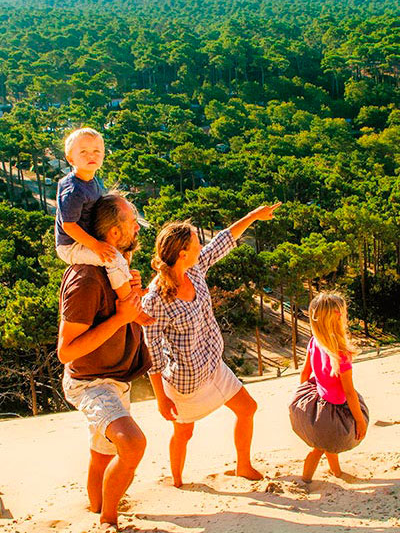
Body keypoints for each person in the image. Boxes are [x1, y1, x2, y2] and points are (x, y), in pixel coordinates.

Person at [141, 203, 280, 488]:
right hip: (186, 381)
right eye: (196, 243)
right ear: (182, 254)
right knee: (184, 433)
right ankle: (177, 482)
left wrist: (253, 215)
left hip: (214, 365)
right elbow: (152, 351)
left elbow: (223, 240)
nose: (201, 247)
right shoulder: (155, 298)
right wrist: (160, 398)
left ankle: (243, 466)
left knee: (247, 408)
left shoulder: (194, 269)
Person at [57, 192, 152, 530]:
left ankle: (96, 507)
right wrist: (121, 317)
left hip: (114, 378)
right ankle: (108, 520)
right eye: (132, 223)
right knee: (132, 444)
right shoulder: (85, 278)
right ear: (113, 233)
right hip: (91, 382)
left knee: (102, 455)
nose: (137, 229)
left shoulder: (114, 269)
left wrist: (134, 298)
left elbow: (124, 313)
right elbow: (66, 351)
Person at [289, 291, 369, 482]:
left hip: (318, 403)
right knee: (320, 448)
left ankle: (336, 472)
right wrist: (360, 421)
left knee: (327, 442)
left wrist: (304, 402)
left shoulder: (314, 341)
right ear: (338, 319)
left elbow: (304, 374)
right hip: (334, 409)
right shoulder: (341, 354)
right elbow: (349, 393)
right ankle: (305, 480)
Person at [54, 127, 136, 303]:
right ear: (70, 158)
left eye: (96, 151)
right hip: (71, 245)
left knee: (122, 252)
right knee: (113, 259)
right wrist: (96, 246)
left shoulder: (91, 181)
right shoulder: (74, 190)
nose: (91, 156)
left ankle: (128, 286)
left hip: (83, 238)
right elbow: (68, 226)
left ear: (103, 155)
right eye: (83, 152)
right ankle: (128, 302)